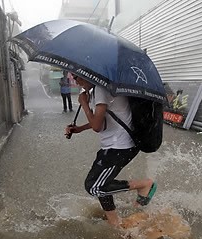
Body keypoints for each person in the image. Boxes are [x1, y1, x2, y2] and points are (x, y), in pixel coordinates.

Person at [65, 74, 157, 227]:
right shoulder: (99, 90)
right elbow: (106, 119)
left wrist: (84, 104)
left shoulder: (101, 89)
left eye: (77, 77)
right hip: (113, 146)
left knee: (94, 186)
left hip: (120, 147)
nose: (76, 81)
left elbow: (97, 126)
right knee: (100, 182)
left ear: (88, 76)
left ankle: (144, 184)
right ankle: (115, 224)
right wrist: (80, 129)